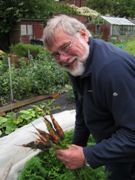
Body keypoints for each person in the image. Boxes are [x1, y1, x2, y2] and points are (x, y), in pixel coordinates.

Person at [43, 14, 135, 180]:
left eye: (65, 46)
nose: (62, 58)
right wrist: (77, 145)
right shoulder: (78, 63)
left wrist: (87, 155)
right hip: (117, 153)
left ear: (84, 35)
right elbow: (83, 109)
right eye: (55, 54)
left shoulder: (112, 70)